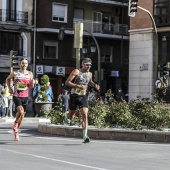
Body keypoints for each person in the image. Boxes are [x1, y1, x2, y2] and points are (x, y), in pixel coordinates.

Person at [65, 58, 100, 143]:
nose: (89, 67)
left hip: (83, 96)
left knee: (84, 114)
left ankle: (85, 136)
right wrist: (78, 86)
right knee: (71, 115)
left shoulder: (90, 74)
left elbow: (90, 82)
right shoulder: (76, 71)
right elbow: (67, 82)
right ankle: (68, 116)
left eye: (90, 65)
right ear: (82, 65)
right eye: (87, 65)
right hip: (74, 95)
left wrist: (95, 85)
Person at [6, 58, 34, 141]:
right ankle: (16, 127)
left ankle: (16, 130)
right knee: (21, 112)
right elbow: (7, 79)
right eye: (23, 63)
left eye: (26, 63)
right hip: (17, 95)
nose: (24, 65)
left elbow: (31, 86)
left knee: (22, 114)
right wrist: (10, 89)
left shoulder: (30, 74)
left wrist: (32, 83)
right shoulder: (15, 73)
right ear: (20, 64)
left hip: (25, 96)